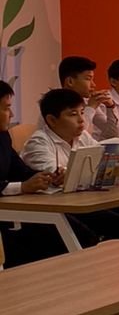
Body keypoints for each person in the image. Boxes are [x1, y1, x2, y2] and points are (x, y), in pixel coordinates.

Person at [22, 89, 119, 243]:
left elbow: (100, 157)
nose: (81, 120)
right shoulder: (38, 143)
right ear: (52, 120)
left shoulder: (82, 136)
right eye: (73, 114)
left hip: (83, 200)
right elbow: (58, 174)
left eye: (82, 112)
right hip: (57, 209)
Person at [0, 78, 59, 266]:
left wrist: (47, 177)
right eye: (6, 108)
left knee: (64, 228)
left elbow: (19, 170)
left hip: (10, 216)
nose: (12, 114)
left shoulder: (3, 136)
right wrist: (23, 187)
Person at [59, 54, 116, 138]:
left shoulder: (86, 102)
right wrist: (91, 108)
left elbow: (111, 133)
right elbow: (77, 136)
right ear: (70, 81)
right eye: (88, 79)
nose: (93, 85)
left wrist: (110, 107)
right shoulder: (56, 104)